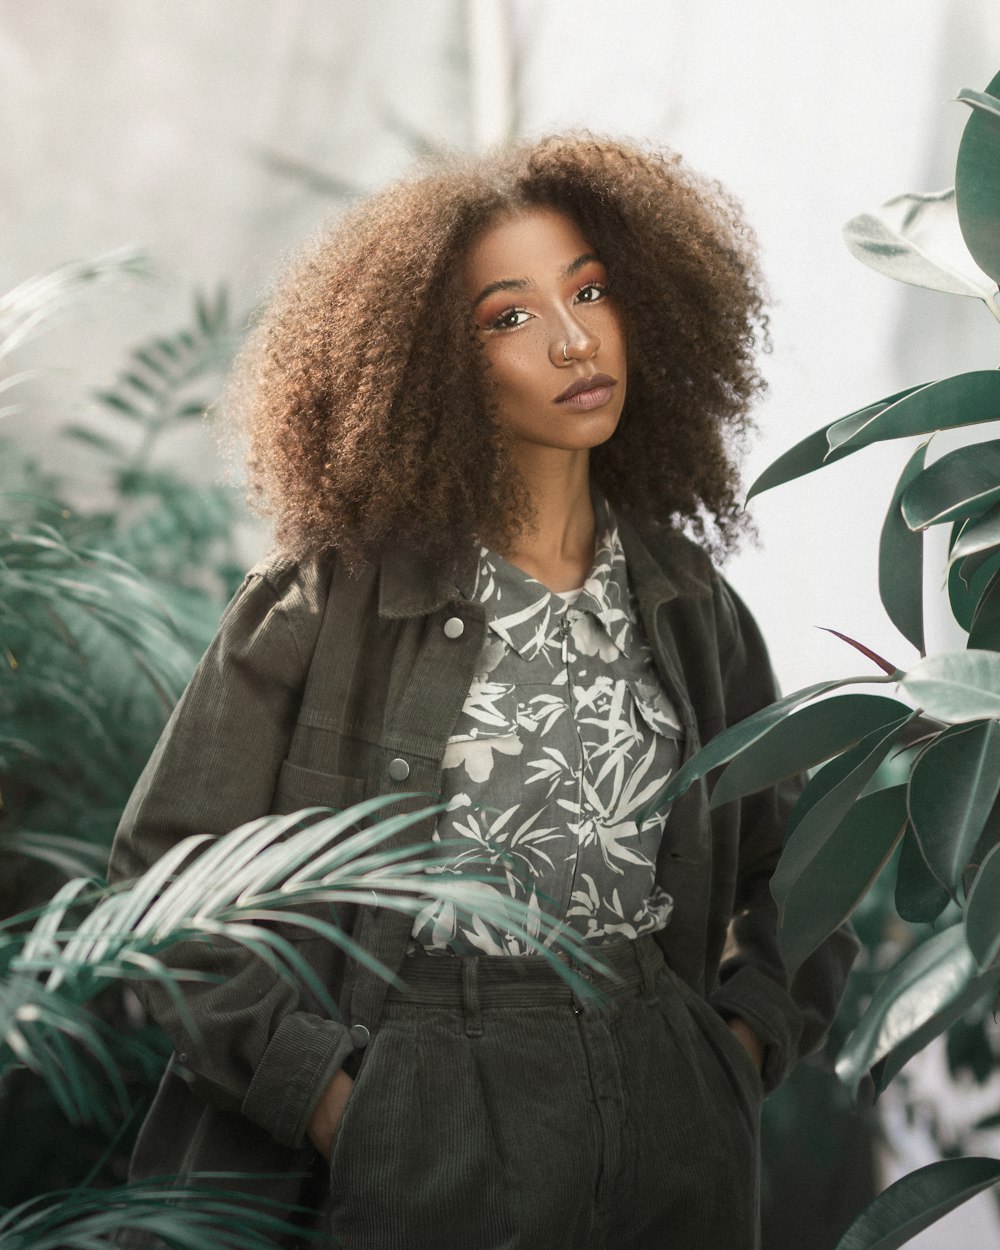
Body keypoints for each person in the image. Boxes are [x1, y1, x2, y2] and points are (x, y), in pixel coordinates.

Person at [109, 134, 858, 1250]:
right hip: (420, 1098)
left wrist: (730, 1055)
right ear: (429, 365)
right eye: (506, 316)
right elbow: (161, 891)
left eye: (591, 290)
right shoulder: (326, 600)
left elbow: (806, 868)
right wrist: (337, 1106)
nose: (570, 338)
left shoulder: (688, 605)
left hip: (664, 1100)